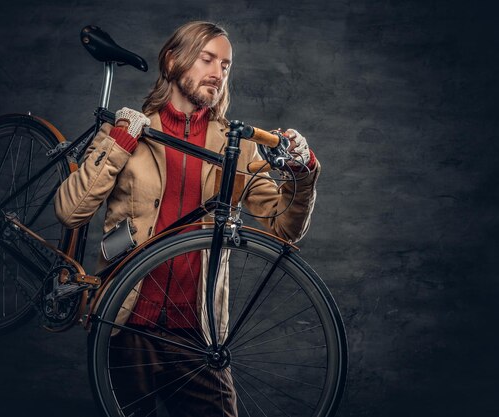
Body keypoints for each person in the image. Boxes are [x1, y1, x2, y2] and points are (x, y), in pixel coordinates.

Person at [55, 21, 320, 417]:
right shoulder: (127, 131)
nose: (217, 73)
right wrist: (121, 142)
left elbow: (285, 229)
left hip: (197, 331)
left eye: (226, 65)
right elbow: (70, 210)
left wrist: (303, 172)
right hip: (127, 322)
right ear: (173, 60)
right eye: (206, 58)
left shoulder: (238, 146)